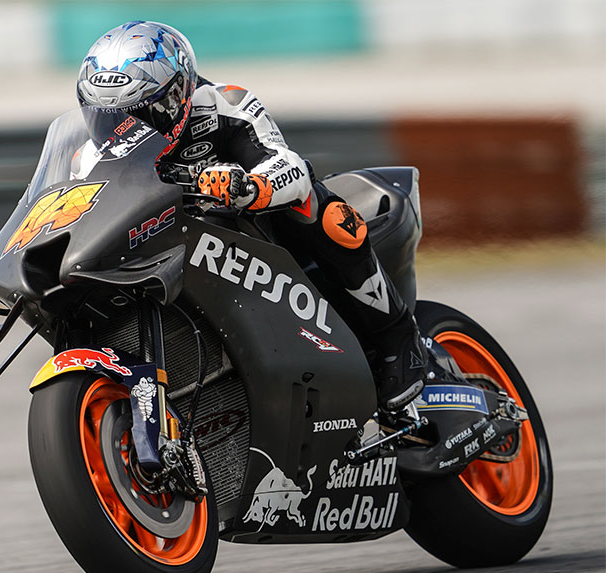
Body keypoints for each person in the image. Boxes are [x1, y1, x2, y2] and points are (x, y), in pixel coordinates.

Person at [75, 20, 428, 412]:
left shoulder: (225, 104)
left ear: (174, 97)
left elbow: (288, 166)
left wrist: (249, 186)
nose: (118, 131)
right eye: (104, 118)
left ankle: (397, 336)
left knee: (323, 212)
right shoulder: (89, 154)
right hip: (177, 251)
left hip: (258, 234)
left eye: (134, 117)